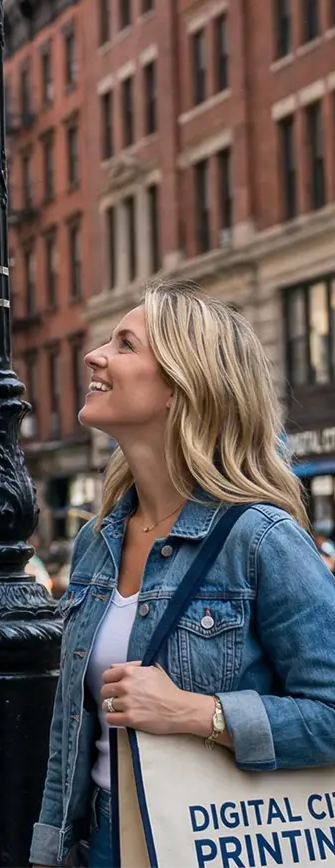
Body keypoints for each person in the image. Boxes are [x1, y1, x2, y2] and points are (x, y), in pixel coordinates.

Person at [31, 280, 335, 868]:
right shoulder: (98, 541)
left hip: (211, 839)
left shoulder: (260, 539)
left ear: (180, 386)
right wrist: (50, 850)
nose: (95, 355)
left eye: (125, 345)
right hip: (99, 842)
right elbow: (70, 732)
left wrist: (200, 713)